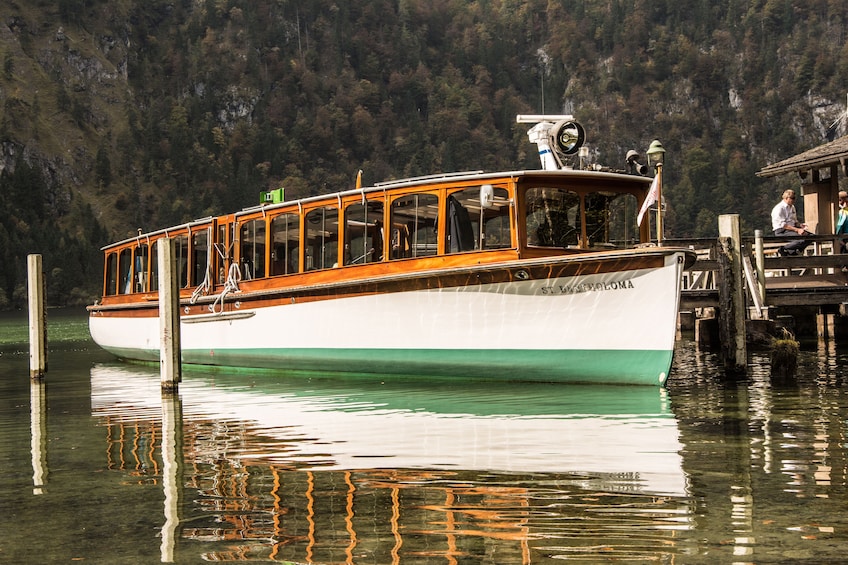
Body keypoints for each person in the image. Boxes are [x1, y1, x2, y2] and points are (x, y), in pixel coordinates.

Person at [771, 189, 812, 256]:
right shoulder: (779, 208)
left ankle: (793, 251)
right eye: (792, 198)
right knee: (801, 239)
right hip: (782, 231)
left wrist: (800, 225)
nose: (794, 200)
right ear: (786, 198)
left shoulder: (792, 207)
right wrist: (797, 230)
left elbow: (794, 221)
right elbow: (783, 225)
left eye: (794, 198)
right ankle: (783, 249)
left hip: (791, 229)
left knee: (811, 237)